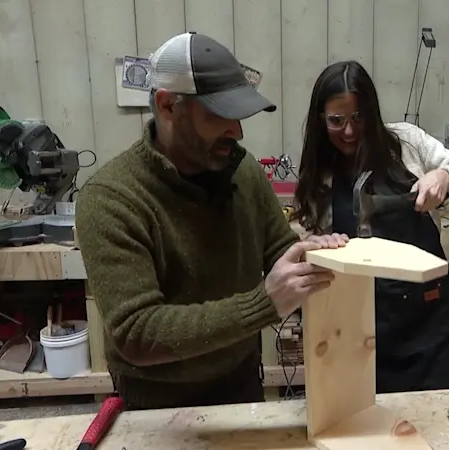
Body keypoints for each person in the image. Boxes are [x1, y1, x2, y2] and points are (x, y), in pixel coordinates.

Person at [75, 32, 346, 410]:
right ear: (167, 105)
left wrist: (313, 257)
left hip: (242, 388)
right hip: (156, 408)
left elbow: (277, 249)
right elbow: (135, 333)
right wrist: (262, 303)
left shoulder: (243, 171)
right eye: (219, 114)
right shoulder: (112, 198)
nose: (237, 132)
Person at [292, 60, 449, 394]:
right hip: (361, 329)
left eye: (358, 118)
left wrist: (446, 178)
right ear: (320, 120)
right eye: (336, 120)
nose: (348, 131)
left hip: (429, 327)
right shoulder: (321, 174)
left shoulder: (407, 144)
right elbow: (313, 243)